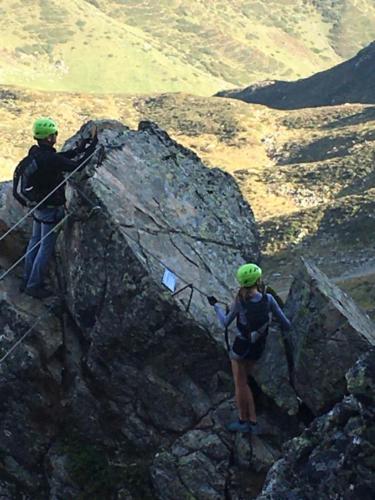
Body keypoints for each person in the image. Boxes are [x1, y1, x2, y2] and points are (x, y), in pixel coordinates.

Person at [207, 263, 291, 434]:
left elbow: (225, 322)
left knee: (240, 383)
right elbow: (286, 323)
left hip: (240, 348)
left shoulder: (240, 301)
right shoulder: (268, 299)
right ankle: (252, 421)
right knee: (245, 382)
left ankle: (243, 420)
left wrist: (216, 307)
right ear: (257, 280)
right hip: (257, 347)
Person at [22, 117, 98, 299]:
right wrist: (93, 147)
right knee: (45, 248)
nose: (56, 136)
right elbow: (76, 166)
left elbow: (63, 157)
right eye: (54, 134)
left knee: (34, 242)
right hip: (50, 208)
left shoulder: (37, 153)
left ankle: (26, 280)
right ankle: (33, 286)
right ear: (49, 138)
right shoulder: (50, 159)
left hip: (39, 205)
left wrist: (81, 147)